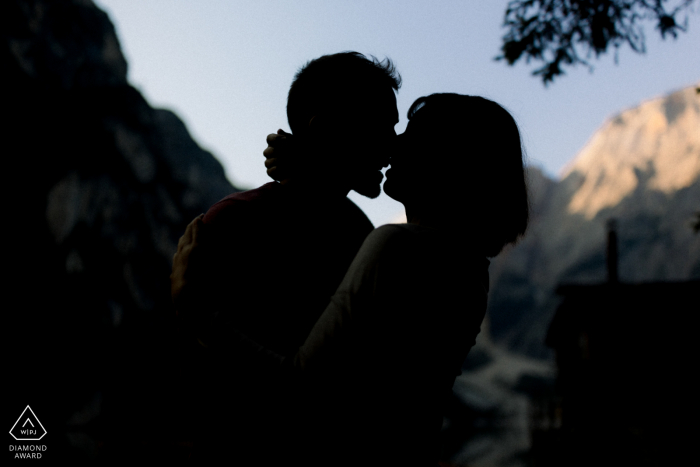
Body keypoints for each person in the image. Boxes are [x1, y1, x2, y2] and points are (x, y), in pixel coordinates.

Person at [173, 93, 529, 466]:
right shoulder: (465, 266)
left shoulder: (398, 248)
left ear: (449, 160)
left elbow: (300, 388)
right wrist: (316, 172)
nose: (394, 143)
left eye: (413, 134)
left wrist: (199, 311)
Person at [171, 51, 400, 463]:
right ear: (325, 129)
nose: (394, 146)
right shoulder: (353, 235)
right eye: (383, 127)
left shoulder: (232, 220)